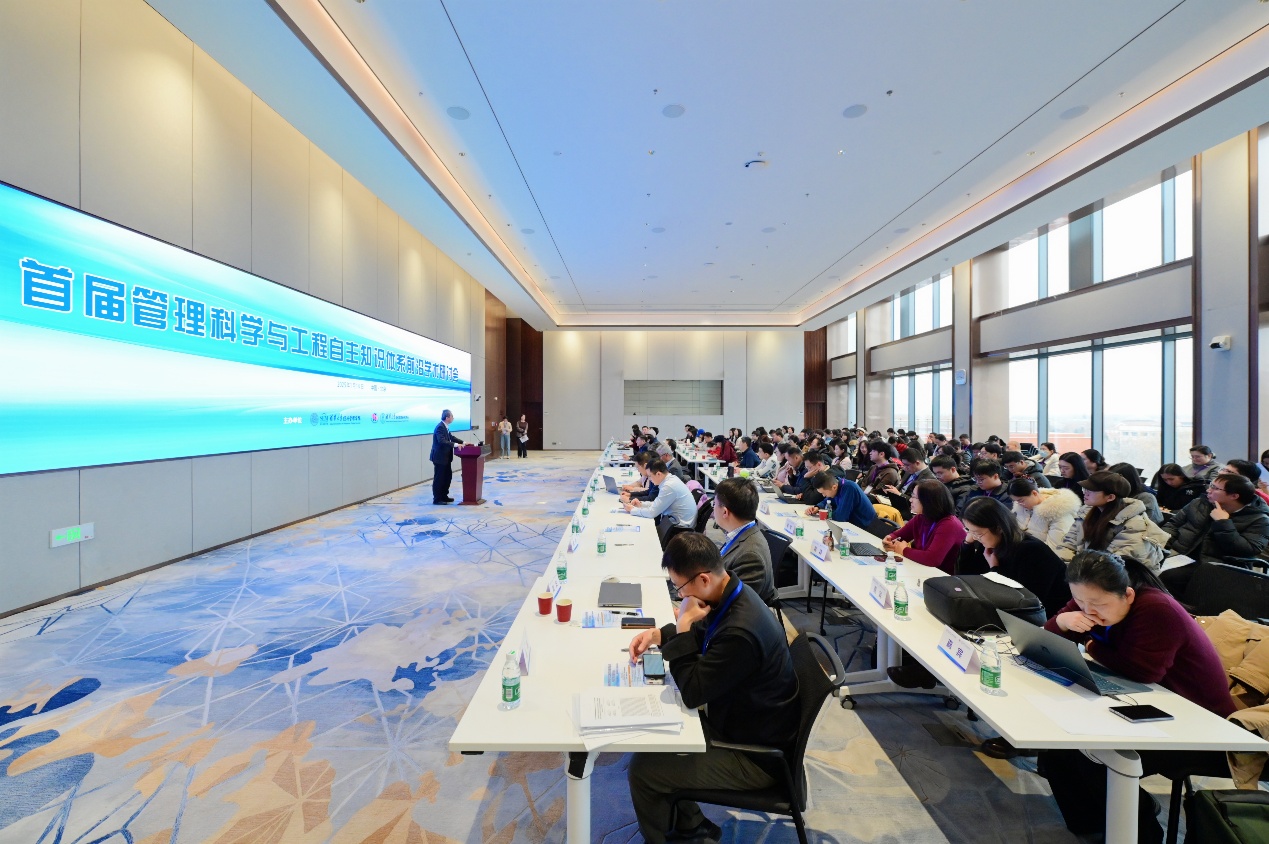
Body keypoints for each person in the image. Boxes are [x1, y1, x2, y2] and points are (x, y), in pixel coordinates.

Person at [1038, 550, 1234, 843]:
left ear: (1128, 595)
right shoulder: (1092, 595)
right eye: (1079, 601)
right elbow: (1050, 638)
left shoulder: (1157, 609)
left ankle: (1144, 835)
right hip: (1154, 706)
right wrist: (1065, 620)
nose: (1088, 610)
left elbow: (1142, 671)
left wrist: (1090, 643)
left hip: (1201, 724)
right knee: (1060, 747)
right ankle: (1092, 826)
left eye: (1098, 605)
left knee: (1100, 759)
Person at [626, 533, 799, 844]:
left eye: (679, 588)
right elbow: (705, 633)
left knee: (643, 770)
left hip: (756, 757)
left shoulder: (740, 632)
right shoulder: (732, 591)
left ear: (703, 579)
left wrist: (682, 626)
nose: (680, 596)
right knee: (656, 742)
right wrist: (659, 635)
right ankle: (692, 827)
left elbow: (692, 693)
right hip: (744, 722)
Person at [959, 497, 1072, 616]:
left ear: (998, 528)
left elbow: (1023, 603)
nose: (974, 537)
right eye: (969, 530)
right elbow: (964, 580)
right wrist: (967, 545)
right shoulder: (990, 544)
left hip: (1048, 616)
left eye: (977, 533)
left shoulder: (1031, 550)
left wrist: (995, 570)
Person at [1054, 471, 1169, 569]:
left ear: (1110, 497)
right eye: (1085, 489)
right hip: (1086, 572)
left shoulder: (1135, 524)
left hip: (1121, 578)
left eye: (1091, 490)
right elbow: (1067, 545)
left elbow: (1114, 565)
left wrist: (1074, 573)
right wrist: (1066, 568)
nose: (1085, 493)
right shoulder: (1086, 513)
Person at [1162, 472, 1269, 566]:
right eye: (1210, 485)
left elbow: (1247, 550)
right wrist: (1163, 546)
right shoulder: (1199, 503)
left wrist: (1223, 523)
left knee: (1166, 577)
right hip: (1179, 554)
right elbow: (1173, 525)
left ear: (1234, 496)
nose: (1208, 490)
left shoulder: (1260, 519)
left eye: (1215, 488)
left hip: (1217, 565)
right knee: (1153, 571)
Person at [712, 478, 777, 605]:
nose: (713, 509)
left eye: (714, 504)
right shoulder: (740, 534)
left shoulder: (750, 555)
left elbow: (737, 606)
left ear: (725, 512)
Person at [881, 480, 966, 573]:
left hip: (941, 575)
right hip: (921, 568)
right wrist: (889, 539)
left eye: (914, 497)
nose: (910, 500)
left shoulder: (949, 524)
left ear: (928, 501)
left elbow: (932, 559)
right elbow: (899, 535)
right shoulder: (921, 517)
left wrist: (904, 550)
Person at [1008, 478, 1080, 551]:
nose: (1019, 504)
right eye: (1016, 501)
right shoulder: (1021, 509)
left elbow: (1056, 548)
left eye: (1021, 500)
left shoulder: (1058, 512)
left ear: (1034, 493)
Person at [624, 461, 696, 524]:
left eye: (650, 476)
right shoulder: (671, 480)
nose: (650, 479)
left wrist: (632, 510)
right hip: (676, 521)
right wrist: (641, 504)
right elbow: (658, 503)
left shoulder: (668, 486)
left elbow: (652, 513)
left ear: (658, 474)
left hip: (679, 526)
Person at [809, 470, 877, 529]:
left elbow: (841, 517)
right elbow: (829, 500)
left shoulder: (849, 488)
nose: (823, 495)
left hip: (866, 527)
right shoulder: (837, 484)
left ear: (834, 487)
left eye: (824, 493)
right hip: (854, 524)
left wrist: (824, 513)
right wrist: (817, 507)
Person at [882, 446, 935, 520]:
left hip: (909, 512)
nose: (904, 467)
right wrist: (892, 490)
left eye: (907, 465)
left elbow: (920, 503)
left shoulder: (929, 479)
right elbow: (901, 488)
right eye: (904, 464)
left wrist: (899, 494)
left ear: (917, 463)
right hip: (897, 504)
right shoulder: (910, 470)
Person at [429, 409, 464, 505]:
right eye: (452, 416)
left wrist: (463, 442)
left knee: (447, 476)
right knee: (439, 478)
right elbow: (442, 441)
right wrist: (456, 445)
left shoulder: (445, 427)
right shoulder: (440, 427)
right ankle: (437, 499)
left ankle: (444, 496)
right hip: (440, 458)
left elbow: (451, 438)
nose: (453, 418)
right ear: (447, 417)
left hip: (446, 458)